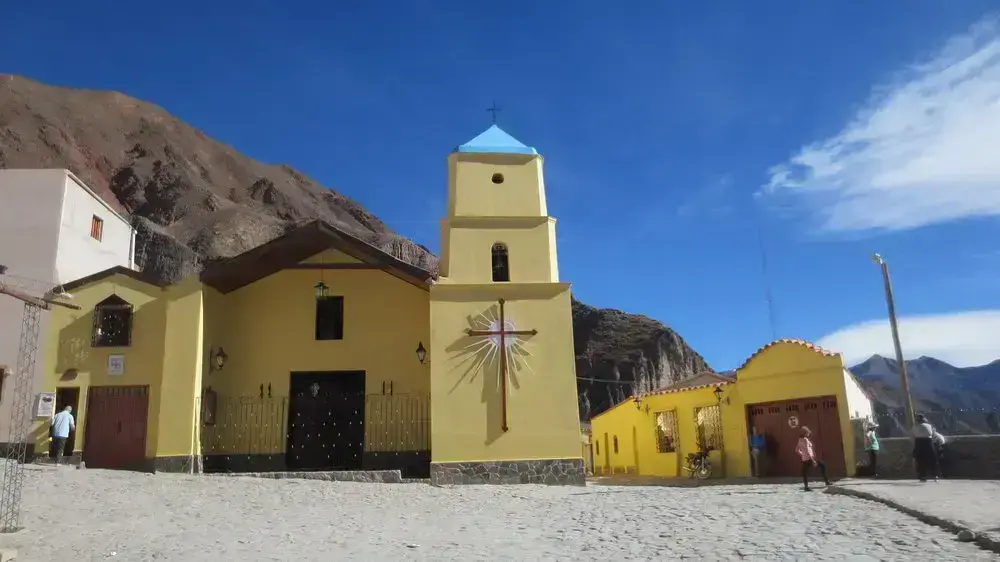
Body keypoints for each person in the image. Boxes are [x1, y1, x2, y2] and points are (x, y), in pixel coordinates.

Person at [795, 426, 830, 491]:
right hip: (810, 459)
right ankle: (827, 481)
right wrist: (813, 460)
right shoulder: (805, 439)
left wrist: (802, 455)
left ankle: (806, 487)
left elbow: (796, 450)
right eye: (808, 432)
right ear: (805, 433)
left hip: (804, 459)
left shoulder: (800, 440)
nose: (809, 434)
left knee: (804, 473)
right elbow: (808, 450)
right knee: (822, 465)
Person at [912, 414, 941, 482]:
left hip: (919, 442)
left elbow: (914, 435)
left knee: (921, 460)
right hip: (927, 442)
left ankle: (923, 476)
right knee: (932, 459)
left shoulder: (916, 427)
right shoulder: (929, 426)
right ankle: (934, 475)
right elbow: (932, 434)